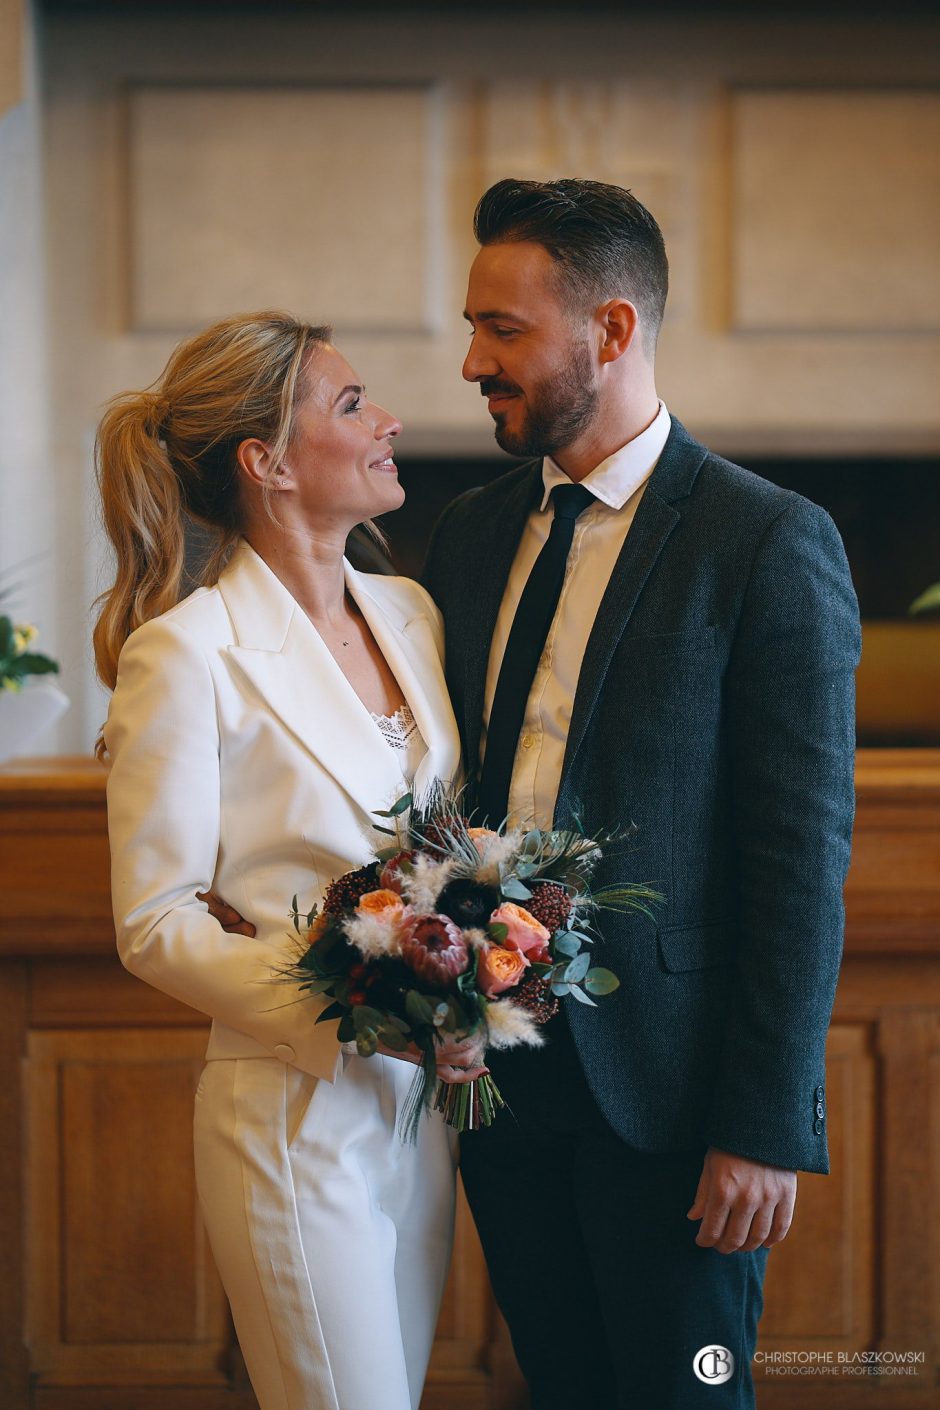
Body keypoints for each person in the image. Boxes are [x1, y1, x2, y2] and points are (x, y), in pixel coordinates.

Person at [422, 179, 861, 1409]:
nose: (472, 362)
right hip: (502, 1086)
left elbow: (797, 856)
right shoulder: (464, 535)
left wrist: (765, 1123)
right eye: (473, 328)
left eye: (502, 331)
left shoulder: (765, 541)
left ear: (609, 332)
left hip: (674, 1105)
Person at [94, 312, 483, 1410]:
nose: (390, 421)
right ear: (265, 461)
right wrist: (364, 1006)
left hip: (416, 1120)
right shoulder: (186, 650)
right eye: (353, 405)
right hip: (290, 1108)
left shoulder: (410, 614)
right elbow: (156, 919)